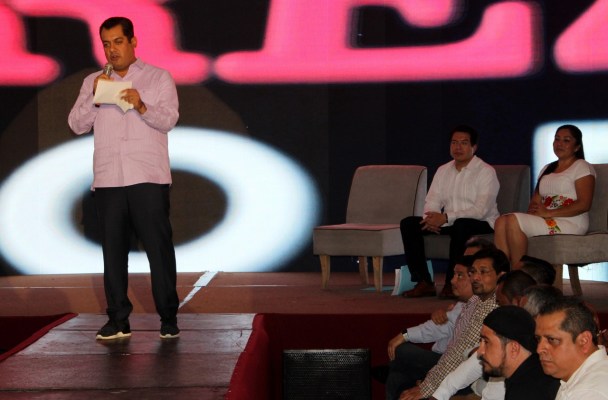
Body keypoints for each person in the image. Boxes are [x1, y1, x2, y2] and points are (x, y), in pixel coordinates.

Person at [68, 16, 181, 340]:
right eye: (106, 44)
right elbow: (76, 124)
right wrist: (94, 96)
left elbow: (169, 119)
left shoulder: (157, 77)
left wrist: (141, 105)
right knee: (113, 252)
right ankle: (118, 319)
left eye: (118, 42)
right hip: (108, 179)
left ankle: (168, 317)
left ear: (133, 42)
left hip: (147, 176)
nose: (112, 50)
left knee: (158, 249)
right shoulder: (93, 81)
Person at [395, 248, 508, 400]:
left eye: (483, 272)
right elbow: (454, 348)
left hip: (471, 380)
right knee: (398, 377)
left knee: (403, 361)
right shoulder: (477, 299)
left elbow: (460, 356)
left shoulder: (491, 306)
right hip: (455, 371)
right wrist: (430, 382)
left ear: (501, 276)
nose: (475, 277)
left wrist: (428, 388)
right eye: (473, 272)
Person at [400, 125, 499, 298]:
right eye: (454, 142)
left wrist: (445, 218)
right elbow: (432, 200)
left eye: (464, 143)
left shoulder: (486, 172)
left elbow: (480, 211)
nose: (458, 147)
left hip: (481, 223)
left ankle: (451, 283)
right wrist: (431, 219)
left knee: (462, 225)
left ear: (474, 147)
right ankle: (424, 282)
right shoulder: (443, 170)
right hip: (449, 222)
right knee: (409, 223)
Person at [494, 124, 596, 269]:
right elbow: (535, 202)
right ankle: (502, 273)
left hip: (571, 222)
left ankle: (518, 274)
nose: (559, 144)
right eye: (557, 139)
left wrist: (548, 213)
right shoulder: (547, 168)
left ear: (577, 147)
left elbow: (584, 204)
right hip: (546, 218)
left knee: (513, 220)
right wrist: (535, 213)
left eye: (566, 140)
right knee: (501, 221)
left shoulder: (582, 167)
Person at [476, 306, 560, 399]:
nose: (480, 352)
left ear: (514, 349)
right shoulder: (529, 375)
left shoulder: (528, 391)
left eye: (486, 342)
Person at [536, 298, 608, 399]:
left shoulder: (587, 393)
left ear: (584, 341)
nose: (539, 349)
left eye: (552, 339)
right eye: (538, 339)